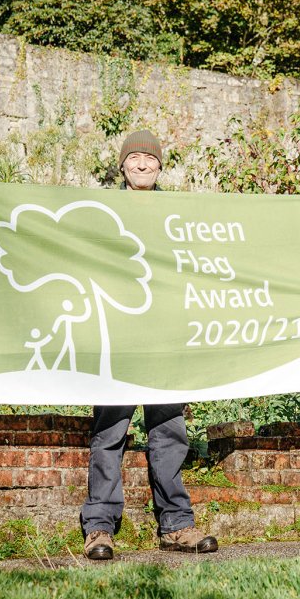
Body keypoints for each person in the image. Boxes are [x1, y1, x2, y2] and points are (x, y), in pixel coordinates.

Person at [80, 129, 218, 560]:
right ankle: (99, 528)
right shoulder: (99, 211)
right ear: (121, 165)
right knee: (109, 433)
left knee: (169, 433)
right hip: (117, 341)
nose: (142, 165)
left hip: (164, 341)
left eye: (150, 159)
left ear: (160, 167)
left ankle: (176, 526)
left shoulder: (178, 214)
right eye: (134, 158)